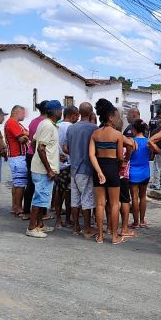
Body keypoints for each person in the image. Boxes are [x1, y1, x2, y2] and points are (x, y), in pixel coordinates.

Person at [89, 98, 125, 245]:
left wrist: (99, 171)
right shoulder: (117, 135)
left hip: (99, 168)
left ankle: (100, 236)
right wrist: (122, 163)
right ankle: (115, 236)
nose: (117, 119)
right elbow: (120, 156)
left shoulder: (95, 134)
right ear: (110, 117)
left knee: (100, 204)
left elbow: (91, 155)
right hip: (112, 168)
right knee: (115, 204)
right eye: (116, 116)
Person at [26, 101, 63, 238]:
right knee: (40, 198)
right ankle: (31, 227)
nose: (61, 112)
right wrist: (49, 169)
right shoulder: (48, 125)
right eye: (60, 110)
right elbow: (41, 147)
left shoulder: (45, 123)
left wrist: (54, 156)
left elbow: (35, 142)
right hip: (43, 169)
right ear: (54, 111)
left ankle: (39, 224)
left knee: (42, 198)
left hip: (41, 166)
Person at [64, 102, 97, 237]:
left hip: (74, 167)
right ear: (90, 113)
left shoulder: (71, 128)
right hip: (86, 167)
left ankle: (76, 227)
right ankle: (87, 228)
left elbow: (65, 147)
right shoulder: (94, 128)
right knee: (87, 198)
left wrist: (74, 152)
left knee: (75, 198)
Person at [55, 105, 78, 227]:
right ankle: (68, 219)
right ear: (73, 115)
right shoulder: (71, 128)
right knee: (69, 193)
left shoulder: (56, 126)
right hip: (69, 163)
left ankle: (58, 218)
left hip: (57, 163)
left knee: (59, 192)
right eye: (77, 116)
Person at [4, 105, 30, 218]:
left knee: (17, 183)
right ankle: (18, 207)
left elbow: (27, 134)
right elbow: (22, 138)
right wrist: (26, 136)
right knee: (20, 183)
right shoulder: (12, 123)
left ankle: (15, 206)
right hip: (17, 156)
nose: (24, 115)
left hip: (17, 156)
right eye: (23, 113)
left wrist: (26, 135)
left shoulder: (16, 123)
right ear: (16, 112)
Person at [128, 119, 151, 229]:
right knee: (143, 196)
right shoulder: (148, 142)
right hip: (145, 172)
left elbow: (128, 156)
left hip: (133, 172)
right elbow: (151, 156)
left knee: (134, 197)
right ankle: (142, 221)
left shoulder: (131, 142)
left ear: (134, 129)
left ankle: (136, 222)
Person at [148, 118, 161, 190]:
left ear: (157, 124)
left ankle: (156, 184)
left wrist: (153, 153)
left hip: (159, 152)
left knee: (157, 168)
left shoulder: (155, 131)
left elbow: (150, 143)